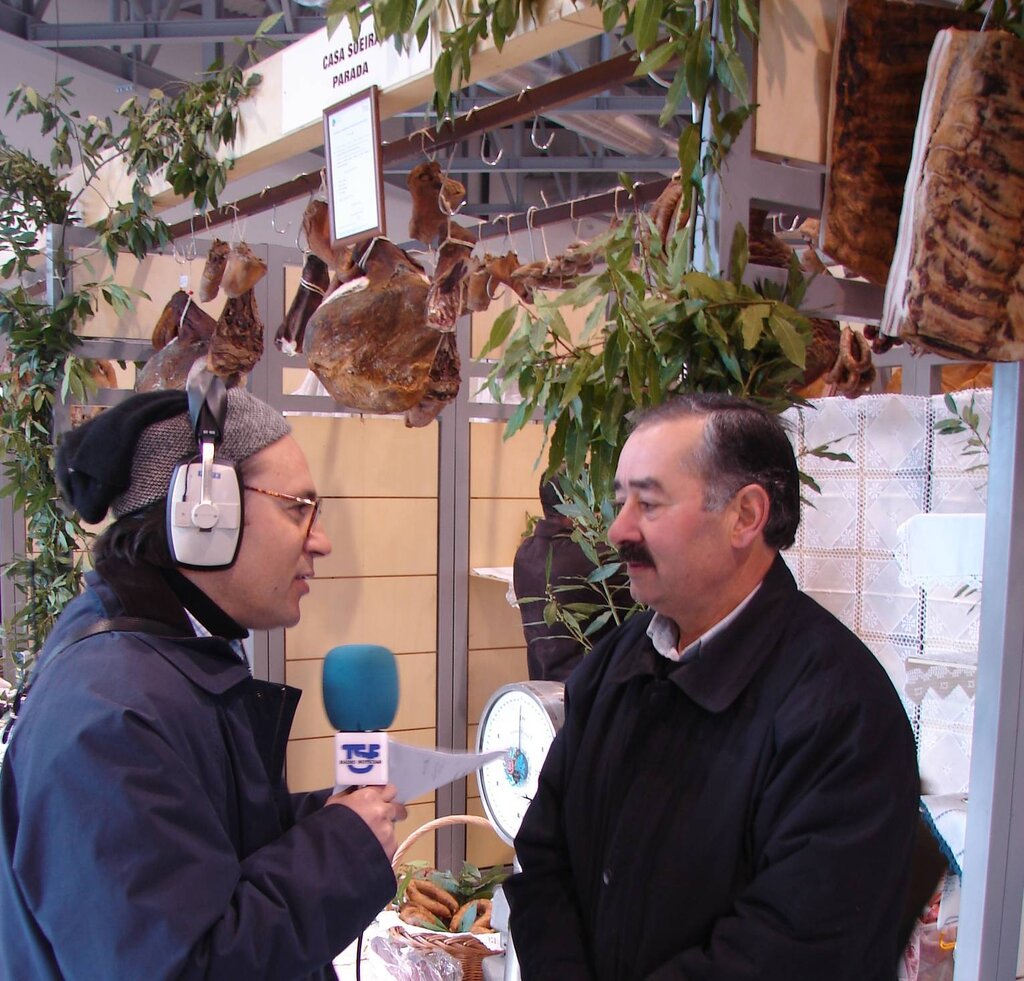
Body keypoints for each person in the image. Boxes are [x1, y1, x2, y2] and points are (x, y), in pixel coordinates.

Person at [505, 393, 921, 980]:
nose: (618, 528)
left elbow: (797, 948)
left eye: (647, 503)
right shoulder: (616, 664)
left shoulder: (839, 710)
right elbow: (544, 856)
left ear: (746, 516)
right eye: (620, 500)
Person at [0, 382, 406, 980]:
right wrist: (339, 852)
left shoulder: (162, 667)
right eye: (297, 508)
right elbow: (180, 966)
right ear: (204, 512)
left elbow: (196, 857)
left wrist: (327, 821)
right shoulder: (110, 719)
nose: (320, 540)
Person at [513, 477, 631, 682]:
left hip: (542, 684)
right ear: (573, 502)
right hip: (587, 689)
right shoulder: (594, 559)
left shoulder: (525, 552)